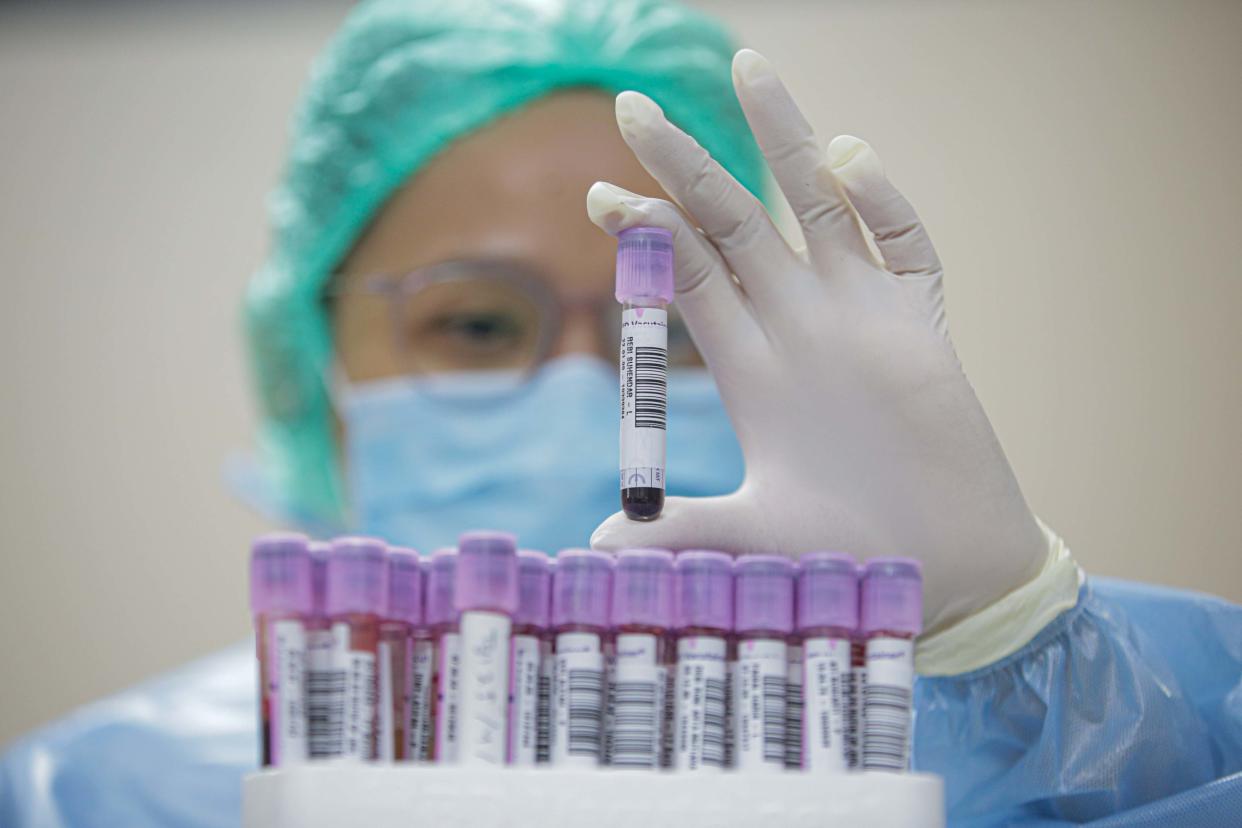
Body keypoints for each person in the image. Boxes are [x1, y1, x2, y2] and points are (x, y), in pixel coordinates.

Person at [2, 1, 1239, 826]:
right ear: (310, 367)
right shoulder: (98, 796)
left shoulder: (1094, 703)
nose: (591, 392)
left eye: (678, 333)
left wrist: (1010, 647)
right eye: (477, 324)